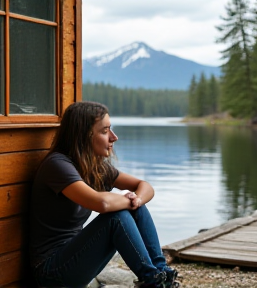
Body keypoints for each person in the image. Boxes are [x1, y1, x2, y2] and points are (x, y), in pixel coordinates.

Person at [29, 101, 179, 288]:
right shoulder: (57, 165)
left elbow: (144, 186)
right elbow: (102, 204)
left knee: (134, 208)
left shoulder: (95, 168)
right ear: (83, 135)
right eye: (105, 131)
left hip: (75, 259)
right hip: (50, 271)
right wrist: (129, 200)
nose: (114, 137)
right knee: (117, 217)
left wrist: (137, 200)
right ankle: (152, 281)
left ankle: (162, 275)